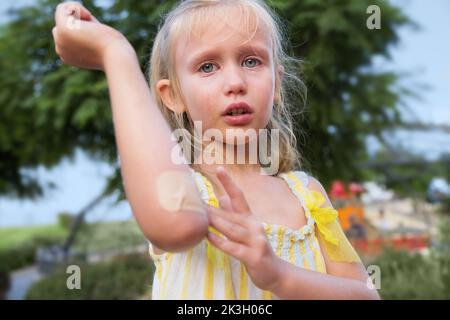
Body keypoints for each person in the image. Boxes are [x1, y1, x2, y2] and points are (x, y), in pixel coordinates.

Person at [52, 0, 379, 300]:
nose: (235, 81)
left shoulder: (307, 195)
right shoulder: (184, 187)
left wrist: (279, 276)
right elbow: (177, 227)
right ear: (172, 96)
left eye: (251, 60)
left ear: (277, 84)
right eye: (207, 67)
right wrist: (114, 53)